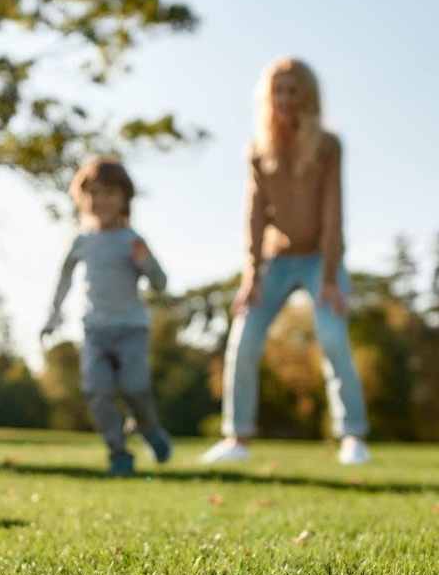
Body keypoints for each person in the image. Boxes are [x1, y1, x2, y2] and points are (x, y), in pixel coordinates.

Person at [201, 57, 370, 466]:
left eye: (293, 90)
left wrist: (329, 277)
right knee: (243, 339)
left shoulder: (328, 146)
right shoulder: (259, 150)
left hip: (319, 260)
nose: (285, 98)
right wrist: (251, 277)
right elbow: (254, 217)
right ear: (267, 96)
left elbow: (333, 213)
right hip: (276, 262)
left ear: (307, 96)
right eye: (278, 90)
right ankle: (237, 437)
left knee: (332, 337)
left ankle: (352, 436)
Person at [42, 157, 171, 476]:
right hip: (95, 331)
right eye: (94, 193)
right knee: (97, 393)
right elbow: (64, 279)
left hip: (131, 329)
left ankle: (149, 428)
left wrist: (145, 263)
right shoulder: (82, 241)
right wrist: (53, 316)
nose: (101, 201)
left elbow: (160, 283)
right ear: (82, 198)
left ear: (125, 198)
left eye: (110, 193)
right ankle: (118, 452)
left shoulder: (133, 240)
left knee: (135, 388)